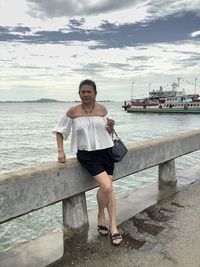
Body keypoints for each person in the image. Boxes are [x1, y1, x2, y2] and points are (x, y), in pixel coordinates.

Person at [53, 79, 122, 246]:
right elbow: (60, 131)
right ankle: (113, 226)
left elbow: (107, 132)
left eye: (89, 92)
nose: (86, 94)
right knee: (107, 187)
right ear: (79, 93)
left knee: (107, 188)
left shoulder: (102, 109)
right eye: (83, 91)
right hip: (87, 155)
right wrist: (60, 151)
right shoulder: (73, 111)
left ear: (95, 93)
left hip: (106, 152)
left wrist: (110, 127)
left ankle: (104, 219)